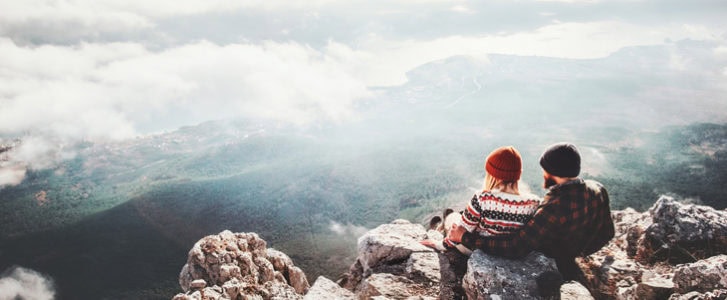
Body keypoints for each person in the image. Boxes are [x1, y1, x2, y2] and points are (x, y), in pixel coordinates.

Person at [447, 142, 615, 283]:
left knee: (453, 219)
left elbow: (516, 247)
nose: (543, 173)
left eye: (544, 169)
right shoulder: (597, 189)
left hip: (555, 263)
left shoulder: (552, 209)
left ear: (551, 172)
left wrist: (465, 237)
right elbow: (608, 233)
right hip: (575, 253)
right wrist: (580, 250)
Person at [421, 146, 541, 299]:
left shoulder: (482, 198)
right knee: (459, 218)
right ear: (518, 175)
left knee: (454, 220)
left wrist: (440, 245)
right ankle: (446, 221)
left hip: (476, 249)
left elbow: (462, 232)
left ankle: (442, 226)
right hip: (511, 251)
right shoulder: (534, 202)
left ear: (492, 174)